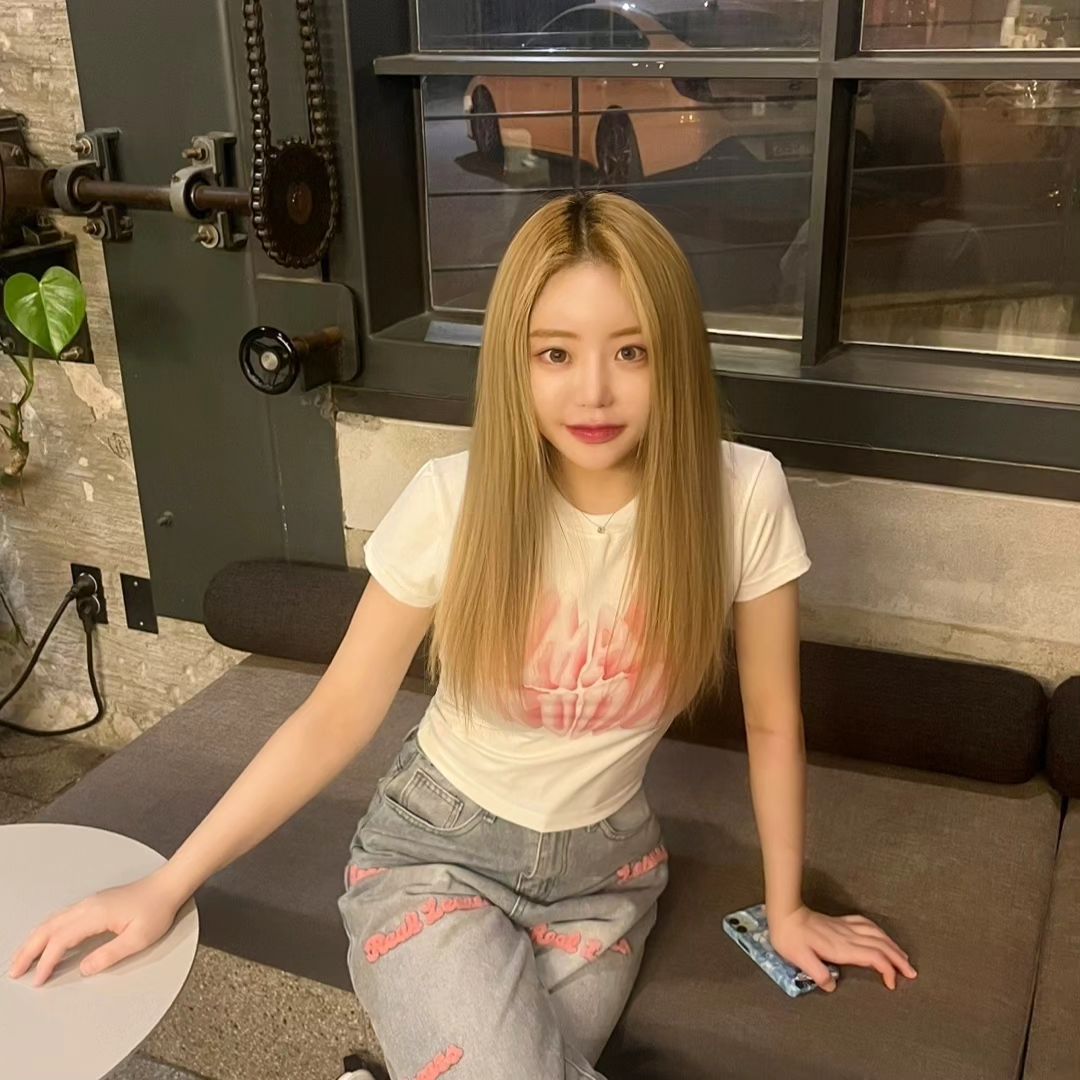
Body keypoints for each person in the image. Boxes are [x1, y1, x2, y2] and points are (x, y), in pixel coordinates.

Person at [7, 192, 916, 1079]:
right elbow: (337, 713)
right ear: (515, 362)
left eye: (631, 351)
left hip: (606, 880)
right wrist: (168, 884)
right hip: (435, 858)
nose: (593, 390)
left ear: (674, 354)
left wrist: (788, 908)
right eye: (554, 352)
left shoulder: (742, 495)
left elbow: (772, 719)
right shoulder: (453, 500)